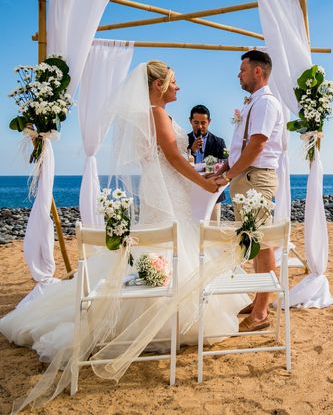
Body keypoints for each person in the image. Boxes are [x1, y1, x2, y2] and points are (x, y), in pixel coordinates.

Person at [0, 61, 249, 410]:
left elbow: (173, 158)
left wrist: (199, 176)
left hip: (164, 187)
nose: (180, 87)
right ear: (159, 84)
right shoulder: (157, 114)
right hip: (164, 190)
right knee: (167, 243)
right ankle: (159, 319)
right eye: (175, 82)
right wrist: (203, 182)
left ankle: (162, 312)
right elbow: (174, 159)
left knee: (165, 246)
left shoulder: (158, 113)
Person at [212, 50, 284, 332]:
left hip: (257, 179)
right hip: (247, 176)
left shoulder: (266, 103)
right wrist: (226, 167)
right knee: (251, 242)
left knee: (262, 242)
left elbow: (257, 145)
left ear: (257, 71)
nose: (238, 75)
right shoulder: (253, 103)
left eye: (242, 69)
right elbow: (243, 145)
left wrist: (230, 174)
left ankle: (262, 311)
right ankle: (258, 300)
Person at [187, 104, 227, 221]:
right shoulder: (184, 140)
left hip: (213, 194)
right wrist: (191, 150)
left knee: (214, 230)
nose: (199, 126)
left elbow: (223, 166)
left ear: (209, 121)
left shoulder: (219, 142)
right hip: (190, 193)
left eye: (203, 123)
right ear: (190, 121)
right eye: (196, 122)